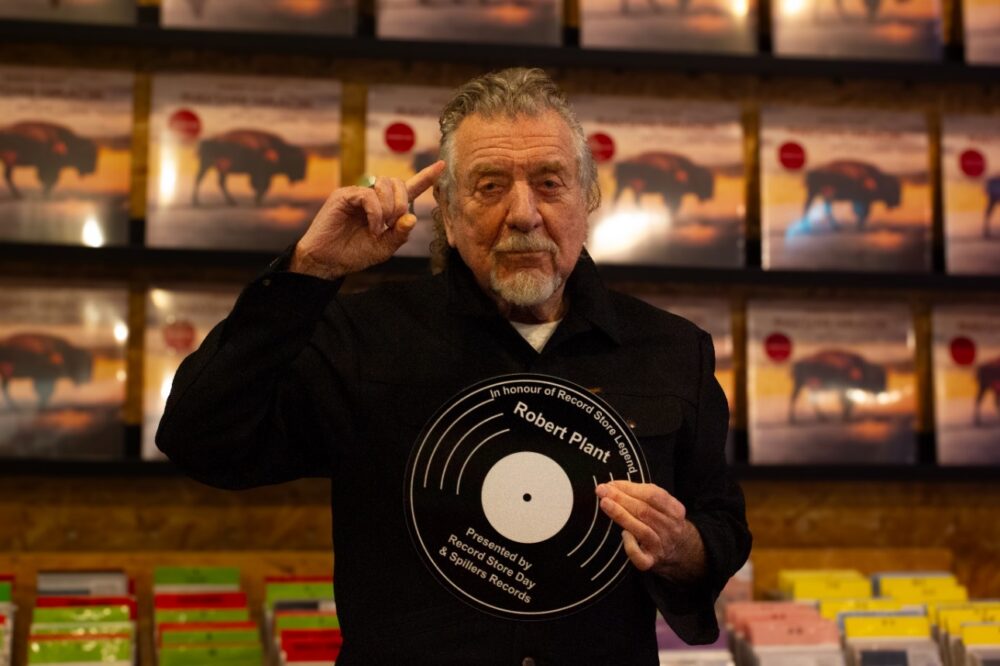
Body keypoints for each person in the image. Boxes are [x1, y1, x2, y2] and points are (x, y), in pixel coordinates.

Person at [157, 67, 751, 665]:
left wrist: (683, 547)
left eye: (550, 183)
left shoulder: (673, 349)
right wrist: (309, 270)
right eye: (490, 186)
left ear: (587, 198)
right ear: (445, 209)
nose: (524, 214)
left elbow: (721, 524)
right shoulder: (363, 336)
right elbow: (200, 439)